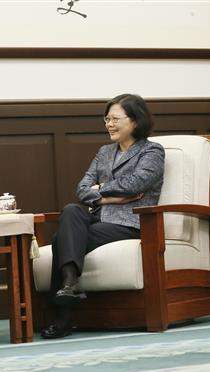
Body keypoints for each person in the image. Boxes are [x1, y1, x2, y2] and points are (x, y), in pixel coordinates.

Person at [41, 94, 165, 339]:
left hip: (131, 223)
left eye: (115, 119)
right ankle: (70, 286)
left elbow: (136, 183)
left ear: (135, 121)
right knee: (71, 209)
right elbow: (81, 189)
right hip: (99, 219)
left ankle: (64, 315)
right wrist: (108, 198)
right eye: (107, 119)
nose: (109, 124)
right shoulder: (104, 152)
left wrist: (101, 189)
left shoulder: (152, 151)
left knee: (60, 240)